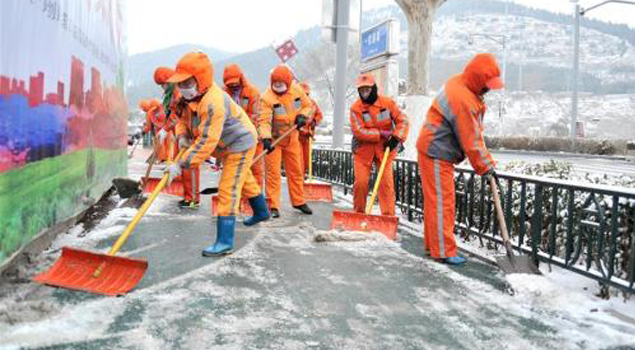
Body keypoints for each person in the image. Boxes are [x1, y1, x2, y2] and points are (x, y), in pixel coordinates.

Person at [166, 52, 270, 256]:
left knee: (228, 188)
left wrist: (181, 164)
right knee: (245, 179)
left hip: (239, 143)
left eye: (188, 82)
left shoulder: (213, 101)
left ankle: (224, 241)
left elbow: (206, 140)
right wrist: (182, 137)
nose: (184, 87)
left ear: (201, 78)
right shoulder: (188, 97)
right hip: (225, 145)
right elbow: (181, 120)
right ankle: (261, 211)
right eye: (181, 83)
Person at [416, 53, 502, 265]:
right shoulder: (462, 99)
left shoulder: (461, 83)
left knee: (436, 201)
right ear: (477, 79)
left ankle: (434, 246)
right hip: (436, 150)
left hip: (433, 148)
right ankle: (443, 250)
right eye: (487, 85)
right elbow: (472, 140)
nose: (488, 89)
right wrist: (487, 167)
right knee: (442, 203)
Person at [349, 73, 409, 216]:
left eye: (367, 90)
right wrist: (380, 134)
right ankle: (358, 214)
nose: (364, 93)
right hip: (363, 150)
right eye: (361, 91)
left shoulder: (388, 103)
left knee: (386, 184)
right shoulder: (355, 108)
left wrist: (396, 138)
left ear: (374, 88)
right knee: (361, 183)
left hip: (386, 149)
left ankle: (388, 216)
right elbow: (359, 131)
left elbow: (403, 121)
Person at [258, 64, 313, 218]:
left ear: (288, 83)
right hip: (275, 140)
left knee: (296, 171)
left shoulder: (297, 90)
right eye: (275, 85)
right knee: (273, 174)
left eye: (281, 85)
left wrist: (303, 115)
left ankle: (299, 201)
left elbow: (308, 106)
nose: (278, 88)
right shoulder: (267, 97)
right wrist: (266, 138)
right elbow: (264, 121)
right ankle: (273, 205)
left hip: (293, 138)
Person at [153, 66, 197, 208]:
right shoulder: (172, 94)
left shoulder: (178, 92)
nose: (162, 88)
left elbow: (178, 114)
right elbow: (174, 113)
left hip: (190, 131)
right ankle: (188, 196)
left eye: (162, 84)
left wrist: (166, 129)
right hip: (182, 131)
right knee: (182, 164)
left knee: (190, 164)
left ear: (168, 81)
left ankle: (193, 199)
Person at [223, 64, 264, 189]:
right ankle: (238, 196)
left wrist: (242, 128)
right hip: (232, 138)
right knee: (234, 169)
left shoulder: (253, 92)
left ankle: (256, 197)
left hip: (253, 135)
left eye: (236, 82)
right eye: (230, 84)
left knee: (256, 168)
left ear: (241, 78)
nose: (234, 85)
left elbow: (256, 115)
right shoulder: (223, 94)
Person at [298, 82, 323, 176]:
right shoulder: (295, 105)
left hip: (308, 138)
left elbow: (319, 115)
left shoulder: (312, 104)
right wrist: (303, 131)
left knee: (307, 160)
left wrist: (315, 122)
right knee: (299, 161)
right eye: (303, 94)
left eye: (307, 94)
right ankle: (300, 181)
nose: (305, 96)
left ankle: (303, 178)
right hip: (297, 138)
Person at [142, 98, 167, 162]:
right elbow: (149, 125)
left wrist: (144, 131)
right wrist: (144, 131)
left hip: (165, 130)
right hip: (159, 131)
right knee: (160, 147)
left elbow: (148, 126)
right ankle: (162, 159)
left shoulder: (163, 108)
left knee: (163, 146)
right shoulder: (150, 113)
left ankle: (163, 159)